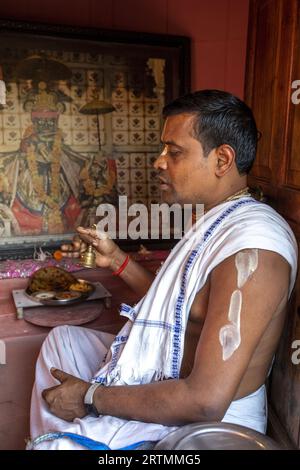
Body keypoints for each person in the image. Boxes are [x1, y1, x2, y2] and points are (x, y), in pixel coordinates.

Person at [28, 90, 297, 450]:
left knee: (54, 447)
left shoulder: (254, 251)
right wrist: (118, 260)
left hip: (200, 426)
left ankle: (70, 435)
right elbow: (178, 305)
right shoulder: (216, 220)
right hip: (171, 383)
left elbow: (205, 401)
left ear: (222, 159)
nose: (159, 161)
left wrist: (92, 396)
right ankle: (75, 430)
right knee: (63, 341)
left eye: (175, 151)